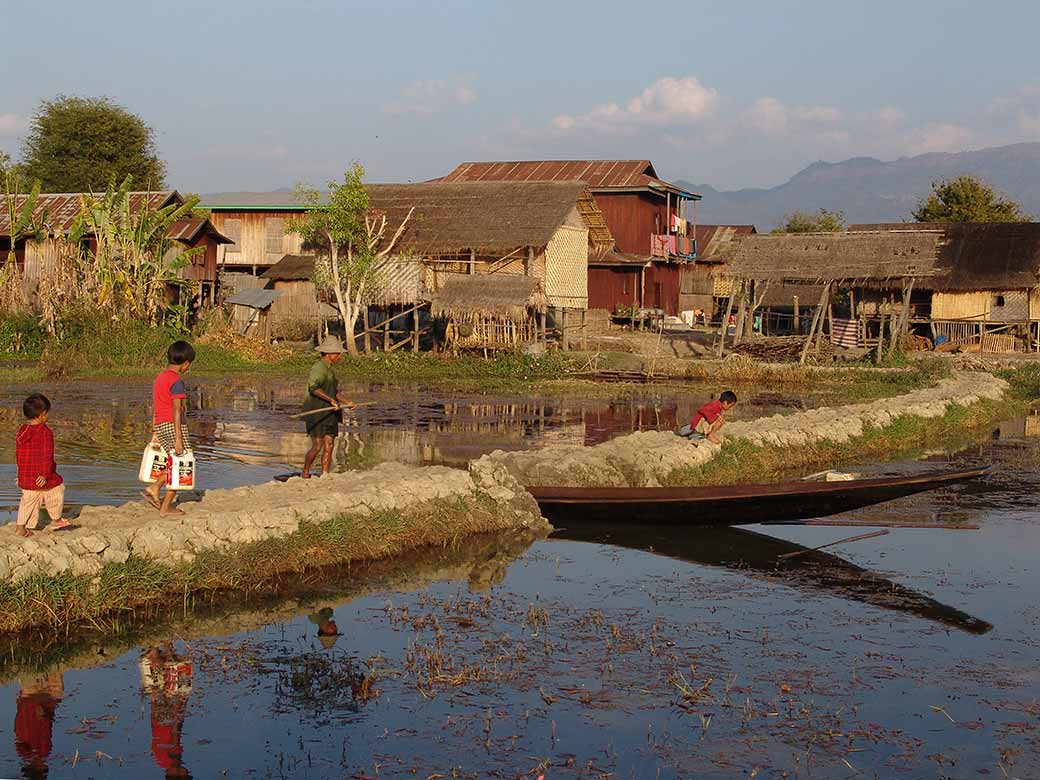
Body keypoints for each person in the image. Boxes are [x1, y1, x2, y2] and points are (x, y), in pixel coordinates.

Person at [144, 341, 194, 516]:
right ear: (186, 363)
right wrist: (179, 438)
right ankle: (164, 507)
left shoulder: (160, 378)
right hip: (173, 426)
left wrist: (155, 431)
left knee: (174, 462)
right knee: (181, 465)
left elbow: (157, 405)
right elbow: (176, 410)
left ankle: (155, 487)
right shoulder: (177, 381)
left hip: (161, 424)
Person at [15, 393, 71, 536]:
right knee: (57, 489)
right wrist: (45, 474)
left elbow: (19, 455)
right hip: (41, 475)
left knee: (28, 501)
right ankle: (56, 519)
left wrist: (20, 473)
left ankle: (21, 527)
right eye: (47, 413)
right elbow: (47, 456)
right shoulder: (45, 433)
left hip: (26, 475)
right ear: (42, 414)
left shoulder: (23, 430)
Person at [301, 335, 355, 479]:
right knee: (317, 446)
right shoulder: (318, 367)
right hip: (316, 411)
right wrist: (331, 400)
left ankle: (325, 474)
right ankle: (305, 472)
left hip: (331, 412)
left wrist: (346, 402)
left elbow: (334, 391)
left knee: (330, 443)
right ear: (329, 354)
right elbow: (314, 388)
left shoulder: (331, 370)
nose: (339, 356)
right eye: (337, 354)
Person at [140, 643, 193, 779]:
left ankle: (160, 650)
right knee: (160, 685)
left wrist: (179, 710)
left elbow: (176, 732)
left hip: (166, 720)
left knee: (175, 683)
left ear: (174, 774)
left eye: (184, 775)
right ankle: (161, 649)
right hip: (159, 720)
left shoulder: (172, 759)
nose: (186, 772)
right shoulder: (162, 761)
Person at [14, 670, 64, 780]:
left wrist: (31, 755)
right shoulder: (45, 751)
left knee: (30, 675)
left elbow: (20, 729)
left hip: (31, 703)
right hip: (45, 702)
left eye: (42, 768)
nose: (44, 765)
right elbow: (48, 727)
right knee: (54, 676)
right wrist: (45, 713)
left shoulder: (25, 753)